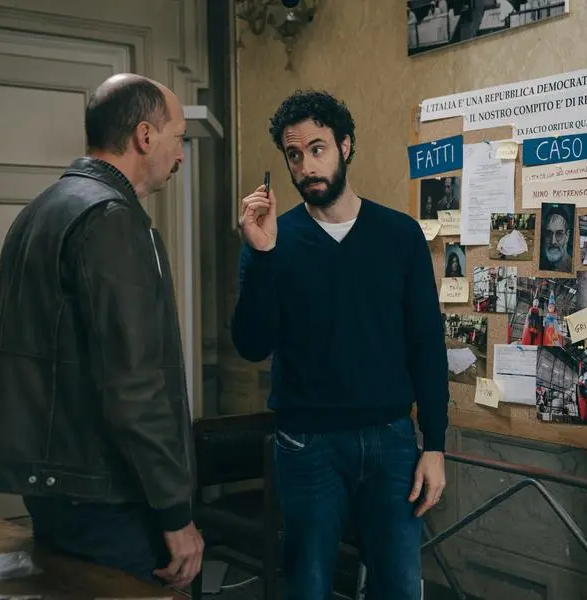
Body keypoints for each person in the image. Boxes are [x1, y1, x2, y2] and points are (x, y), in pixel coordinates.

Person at [0, 73, 203, 588]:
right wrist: (176, 512)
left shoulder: (36, 213)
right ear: (144, 136)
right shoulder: (110, 219)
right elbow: (133, 385)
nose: (180, 155)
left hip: (53, 492)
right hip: (110, 498)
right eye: (177, 139)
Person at [231, 89, 449, 600]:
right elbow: (251, 345)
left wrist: (435, 444)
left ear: (345, 146)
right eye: (294, 154)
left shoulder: (399, 235)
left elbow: (426, 343)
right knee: (307, 587)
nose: (306, 166)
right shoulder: (273, 240)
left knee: (398, 587)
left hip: (392, 440)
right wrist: (262, 256)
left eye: (318, 148)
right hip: (307, 444)